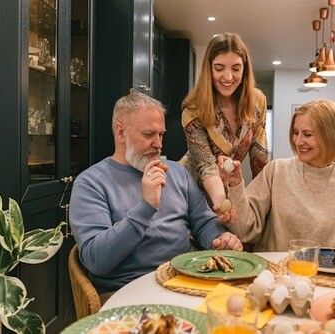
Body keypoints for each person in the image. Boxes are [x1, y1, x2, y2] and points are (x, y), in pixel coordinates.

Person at [69, 92, 243, 295]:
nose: (159, 144)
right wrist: (146, 207)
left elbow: (203, 222)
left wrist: (220, 239)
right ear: (120, 132)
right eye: (149, 134)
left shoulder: (177, 172)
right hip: (128, 290)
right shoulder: (91, 183)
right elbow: (96, 260)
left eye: (161, 134)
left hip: (187, 278)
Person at [218, 99, 335, 251]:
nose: (298, 141)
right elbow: (244, 230)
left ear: (330, 136)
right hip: (272, 272)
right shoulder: (277, 171)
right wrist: (236, 183)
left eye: (307, 134)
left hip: (324, 275)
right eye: (295, 132)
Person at [180, 32, 270, 215]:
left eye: (236, 68)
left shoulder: (257, 102)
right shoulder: (192, 111)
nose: (228, 77)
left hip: (228, 192)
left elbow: (260, 159)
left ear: (244, 69)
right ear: (209, 69)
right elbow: (207, 167)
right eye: (219, 68)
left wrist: (265, 205)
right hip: (189, 192)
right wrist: (221, 202)